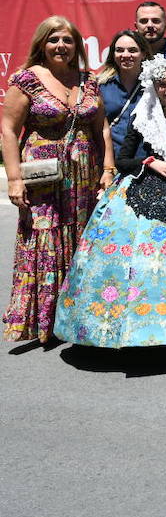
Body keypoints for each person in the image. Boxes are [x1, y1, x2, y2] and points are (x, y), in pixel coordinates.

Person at [56, 55, 166, 347]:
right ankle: (136, 322)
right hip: (146, 181)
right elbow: (125, 160)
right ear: (153, 85)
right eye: (162, 84)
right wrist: (150, 162)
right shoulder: (143, 113)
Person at [3, 17, 113, 343]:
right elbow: (8, 130)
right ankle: (44, 321)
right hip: (42, 175)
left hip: (84, 175)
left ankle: (76, 314)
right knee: (46, 239)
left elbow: (101, 127)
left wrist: (108, 170)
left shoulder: (87, 79)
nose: (61, 46)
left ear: (76, 45)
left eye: (67, 40)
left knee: (80, 238)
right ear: (42, 44)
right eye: (54, 40)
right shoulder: (27, 80)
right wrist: (13, 179)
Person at [96, 29, 152, 155]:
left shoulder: (155, 86)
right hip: (112, 160)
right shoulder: (101, 85)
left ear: (143, 54)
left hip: (147, 162)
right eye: (120, 50)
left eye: (132, 50)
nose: (125, 55)